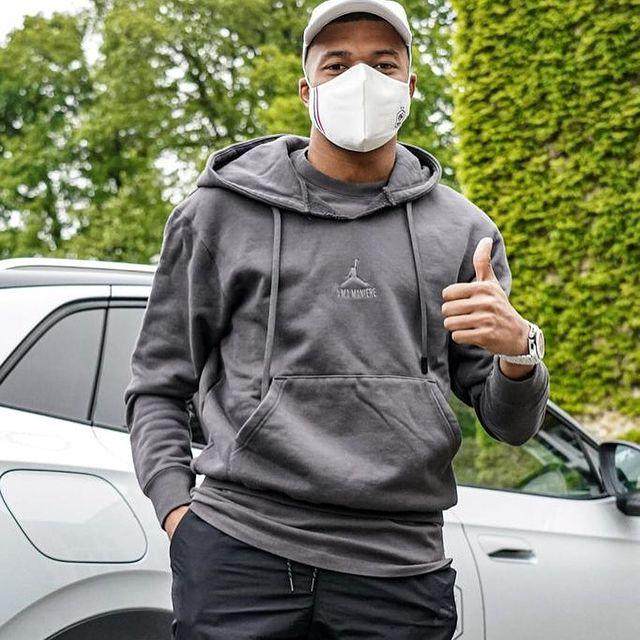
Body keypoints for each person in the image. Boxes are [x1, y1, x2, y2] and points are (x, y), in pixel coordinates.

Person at [124, 0, 550, 638]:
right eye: (337, 64)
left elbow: (511, 425)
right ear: (307, 90)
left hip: (399, 568)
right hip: (240, 551)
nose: (362, 81)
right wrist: (176, 512)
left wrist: (519, 353)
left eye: (384, 64)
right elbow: (158, 383)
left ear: (410, 86)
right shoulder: (218, 215)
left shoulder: (465, 232)